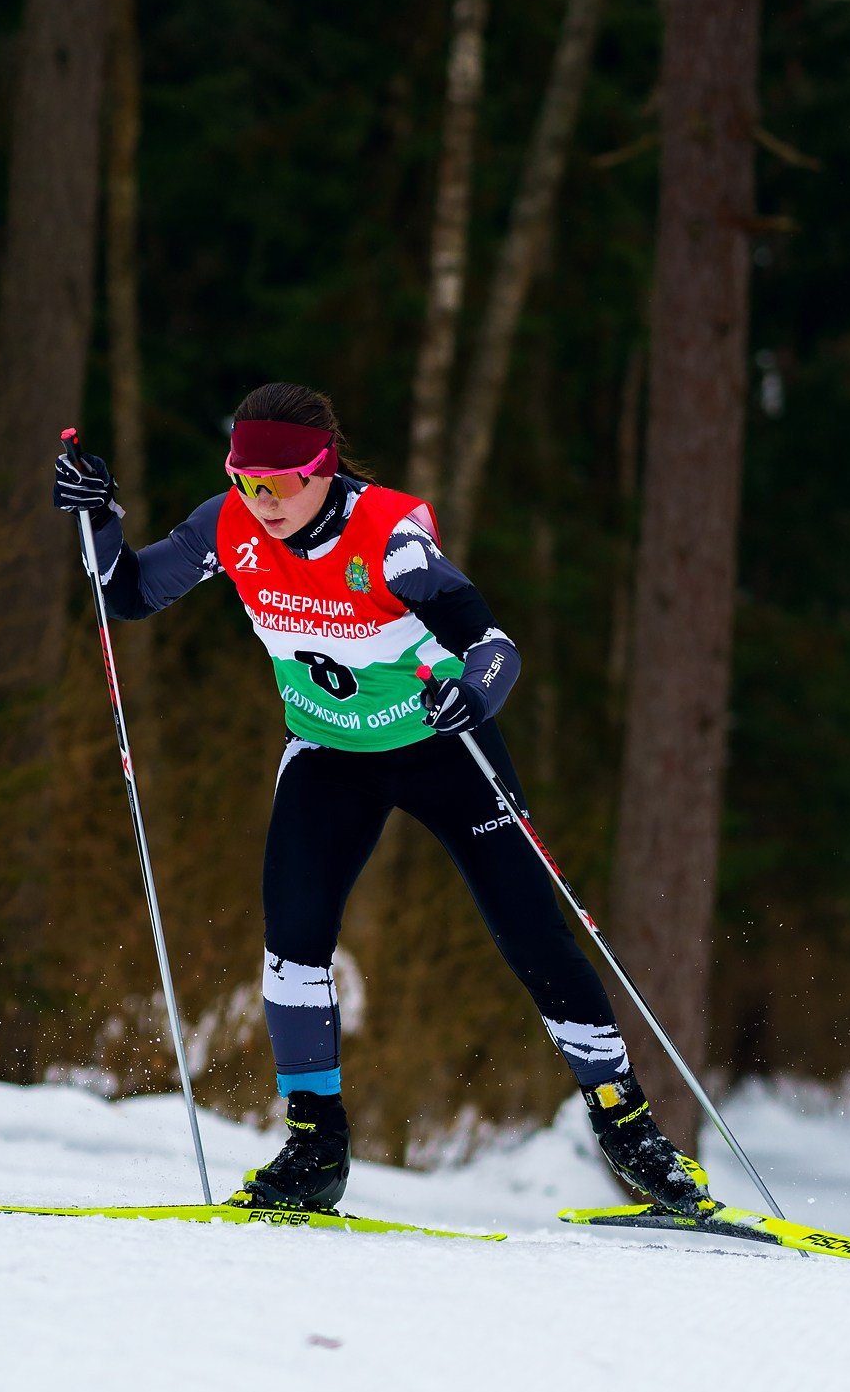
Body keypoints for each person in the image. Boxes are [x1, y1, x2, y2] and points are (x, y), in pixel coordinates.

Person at [54, 380, 704, 1216]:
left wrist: (476, 690)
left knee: (533, 934)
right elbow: (127, 594)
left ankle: (631, 1134)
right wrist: (97, 517)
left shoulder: (390, 539)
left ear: (325, 470)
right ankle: (314, 1148)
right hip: (328, 754)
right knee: (292, 942)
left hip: (443, 749)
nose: (265, 501)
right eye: (248, 481)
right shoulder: (228, 525)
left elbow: (493, 644)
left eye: (283, 483)